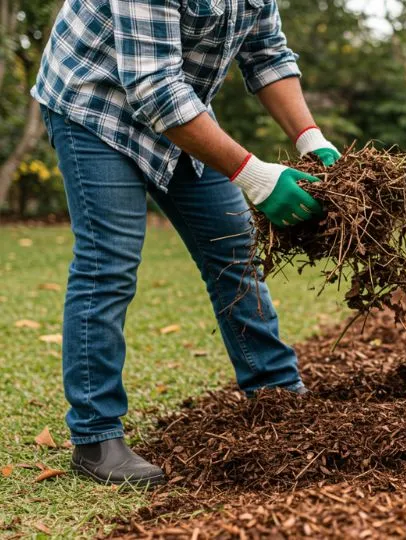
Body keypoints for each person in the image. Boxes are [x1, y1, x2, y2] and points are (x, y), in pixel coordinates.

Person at [31, 0, 339, 487]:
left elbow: (267, 54)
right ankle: (95, 437)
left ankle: (277, 393)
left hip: (180, 105)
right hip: (96, 103)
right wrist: (256, 177)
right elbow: (153, 88)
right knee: (107, 262)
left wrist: (310, 138)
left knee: (234, 248)